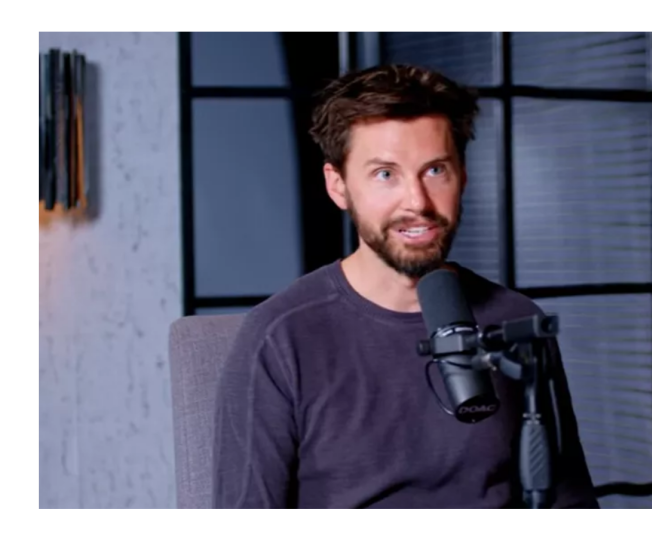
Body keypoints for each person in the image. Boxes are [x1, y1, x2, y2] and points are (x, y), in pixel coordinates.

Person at [211, 64, 598, 508]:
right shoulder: (280, 338)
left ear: (463, 175)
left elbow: (570, 505)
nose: (417, 202)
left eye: (435, 170)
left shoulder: (515, 320)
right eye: (385, 174)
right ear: (338, 186)